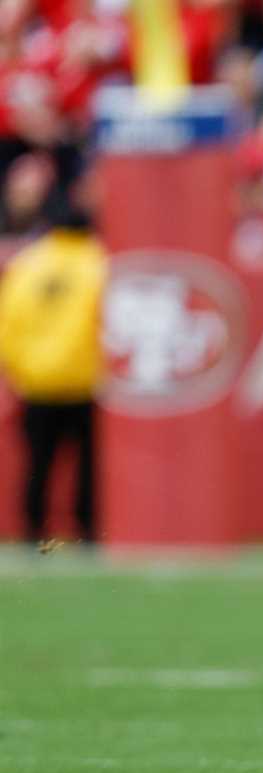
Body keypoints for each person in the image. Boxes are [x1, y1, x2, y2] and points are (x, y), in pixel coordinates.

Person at [0, 202, 104, 544]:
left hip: (37, 382)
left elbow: (7, 324)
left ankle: (34, 532)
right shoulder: (101, 264)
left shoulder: (27, 265)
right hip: (86, 382)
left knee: (38, 463)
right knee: (89, 466)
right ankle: (88, 531)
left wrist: (19, 369)